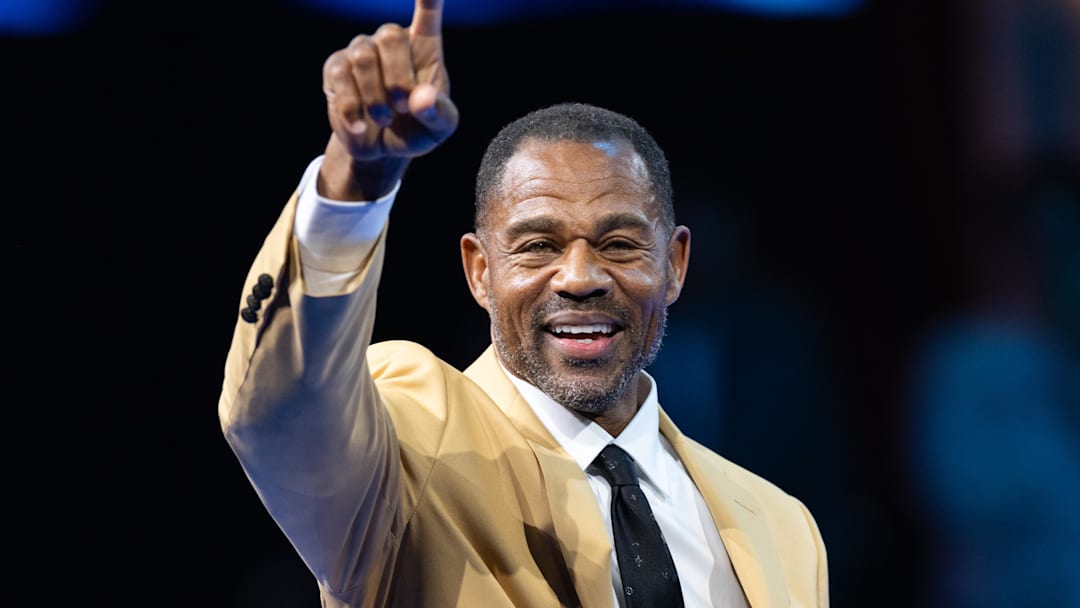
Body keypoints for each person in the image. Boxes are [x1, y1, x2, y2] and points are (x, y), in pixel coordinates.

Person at [218, 0, 829, 605]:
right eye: (538, 246)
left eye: (618, 244)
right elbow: (280, 409)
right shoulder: (406, 452)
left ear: (673, 265)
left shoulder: (782, 531)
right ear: (479, 272)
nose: (581, 277)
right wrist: (357, 176)